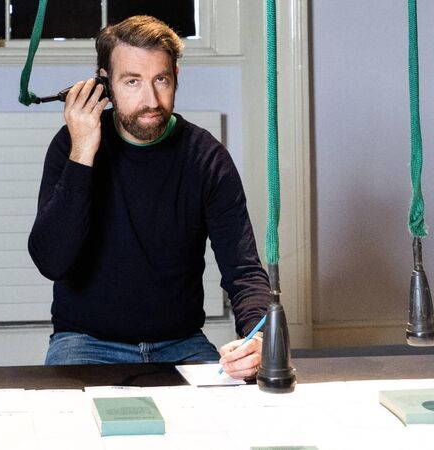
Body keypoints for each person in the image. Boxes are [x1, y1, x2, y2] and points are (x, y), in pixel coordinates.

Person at [27, 16, 270, 379]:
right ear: (104, 83)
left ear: (176, 76)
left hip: (181, 343)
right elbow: (51, 261)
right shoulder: (70, 145)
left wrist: (259, 338)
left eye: (161, 80)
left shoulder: (206, 157)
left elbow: (243, 269)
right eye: (132, 82)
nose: (151, 100)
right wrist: (83, 152)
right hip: (85, 341)